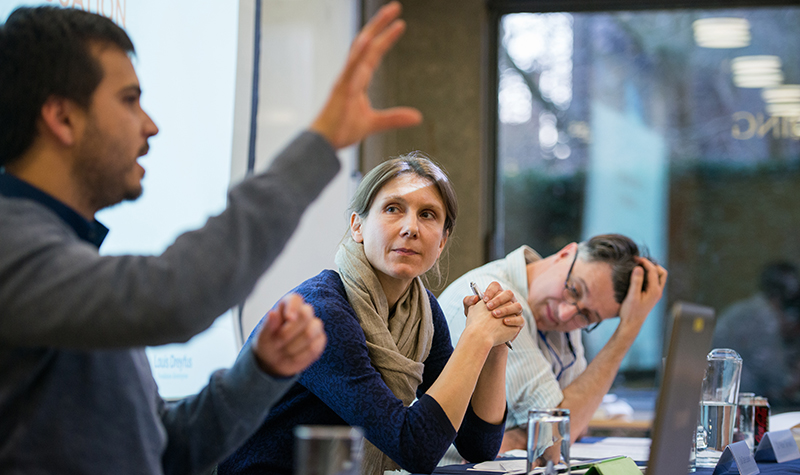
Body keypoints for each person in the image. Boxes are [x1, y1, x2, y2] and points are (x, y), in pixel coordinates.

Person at [0, 3, 421, 474]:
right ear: (62, 118)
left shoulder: (71, 261)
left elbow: (168, 449)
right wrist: (320, 144)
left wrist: (260, 372)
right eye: (128, 99)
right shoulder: (10, 248)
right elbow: (175, 295)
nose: (150, 125)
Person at [219, 153, 525, 475]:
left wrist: (496, 339)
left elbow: (479, 445)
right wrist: (475, 337)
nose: (411, 228)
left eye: (428, 215)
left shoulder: (422, 314)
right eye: (393, 209)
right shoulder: (322, 312)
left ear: (443, 241)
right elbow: (414, 448)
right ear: (358, 226)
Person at [438, 235, 667, 452]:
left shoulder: (561, 319)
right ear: (566, 253)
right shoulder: (496, 298)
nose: (566, 313)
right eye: (574, 289)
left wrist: (523, 437)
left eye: (586, 316)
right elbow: (557, 436)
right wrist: (627, 332)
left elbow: (571, 425)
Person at [712, 261, 800, 407]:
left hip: (728, 402)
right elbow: (779, 381)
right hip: (731, 406)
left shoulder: (749, 310)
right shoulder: (763, 317)